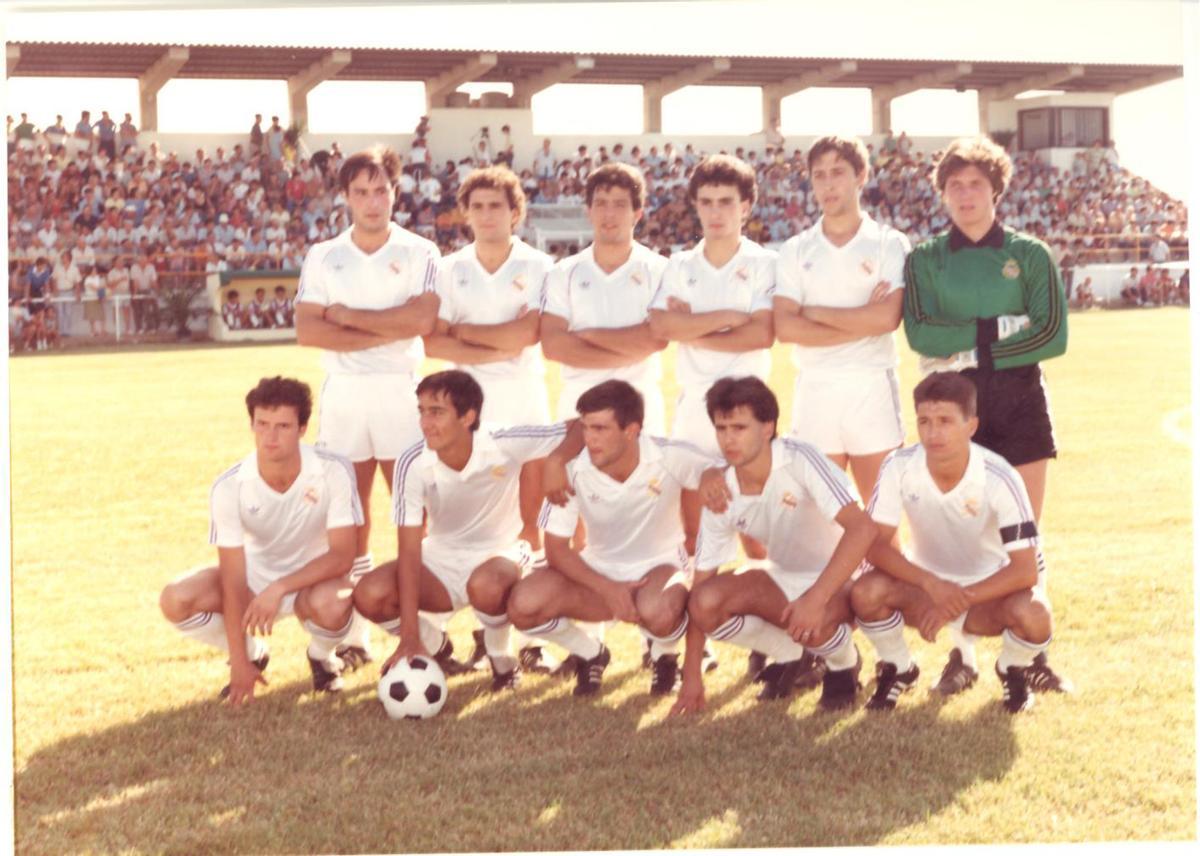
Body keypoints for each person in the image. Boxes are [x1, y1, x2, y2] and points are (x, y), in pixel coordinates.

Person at [902, 135, 1069, 695]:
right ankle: (961, 654)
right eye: (955, 185)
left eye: (976, 184)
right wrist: (1002, 327)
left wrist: (968, 343)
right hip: (952, 405)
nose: (965, 194)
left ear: (995, 190)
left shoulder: (1029, 253)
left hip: (1021, 401)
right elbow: (921, 333)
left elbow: (1050, 334)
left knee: (1024, 534)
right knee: (956, 529)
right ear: (943, 194)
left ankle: (1030, 656)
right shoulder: (925, 259)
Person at [294, 144, 441, 668]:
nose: (373, 201)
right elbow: (309, 330)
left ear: (395, 192)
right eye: (362, 191)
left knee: (411, 510)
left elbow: (421, 322)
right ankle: (354, 634)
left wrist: (348, 318)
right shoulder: (324, 254)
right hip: (344, 396)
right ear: (346, 197)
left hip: (401, 391)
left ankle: (420, 628)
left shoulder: (420, 251)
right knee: (349, 513)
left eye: (382, 189)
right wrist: (384, 324)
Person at [353, 371, 582, 690]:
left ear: (468, 416)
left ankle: (503, 661)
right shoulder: (412, 462)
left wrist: (556, 462)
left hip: (503, 553)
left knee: (486, 585)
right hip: (440, 559)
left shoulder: (504, 441)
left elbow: (580, 426)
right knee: (369, 593)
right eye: (421, 411)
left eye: (437, 412)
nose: (425, 422)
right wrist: (409, 637)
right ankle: (434, 646)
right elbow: (409, 551)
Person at [851, 372, 1059, 713]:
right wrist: (932, 585)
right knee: (865, 590)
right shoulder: (898, 466)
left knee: (1035, 614)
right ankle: (898, 666)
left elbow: (1024, 572)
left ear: (971, 426)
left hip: (988, 592)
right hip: (925, 589)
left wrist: (955, 601)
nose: (933, 433)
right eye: (925, 421)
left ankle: (1012, 669)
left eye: (945, 421)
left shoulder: (999, 476)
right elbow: (874, 545)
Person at [673, 377, 878, 714]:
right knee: (705, 601)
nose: (729, 439)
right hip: (782, 577)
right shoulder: (721, 490)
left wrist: (816, 598)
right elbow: (702, 585)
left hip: (844, 578)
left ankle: (844, 664)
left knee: (811, 619)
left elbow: (862, 529)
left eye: (740, 427)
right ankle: (790, 653)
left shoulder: (800, 459)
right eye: (721, 428)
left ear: (768, 427)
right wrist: (691, 674)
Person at [158, 377, 363, 702]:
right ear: (252, 424)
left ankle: (322, 656)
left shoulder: (333, 470)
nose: (270, 436)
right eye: (262, 424)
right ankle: (254, 653)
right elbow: (233, 576)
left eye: (282, 426)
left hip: (315, 579)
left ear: (302, 428)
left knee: (334, 602)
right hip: (255, 579)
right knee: (175, 598)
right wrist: (239, 662)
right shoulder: (230, 485)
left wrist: (280, 587)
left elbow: (342, 556)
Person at [507, 380, 717, 698]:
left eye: (600, 429)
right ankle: (590, 652)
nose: (589, 439)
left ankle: (665, 657)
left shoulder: (670, 456)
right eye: (586, 428)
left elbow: (716, 471)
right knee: (523, 605)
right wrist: (609, 588)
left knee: (659, 611)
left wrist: (714, 477)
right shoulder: (573, 468)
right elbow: (556, 549)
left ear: (632, 431)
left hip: (660, 567)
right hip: (598, 570)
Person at [648, 153, 775, 554]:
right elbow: (662, 326)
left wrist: (693, 329)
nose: (716, 211)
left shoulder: (765, 263)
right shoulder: (681, 263)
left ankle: (765, 610)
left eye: (726, 201)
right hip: (693, 410)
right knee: (694, 536)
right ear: (695, 205)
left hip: (748, 410)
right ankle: (697, 611)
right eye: (707, 201)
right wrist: (727, 317)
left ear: (746, 206)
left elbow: (761, 334)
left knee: (758, 541)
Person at [425, 166, 555, 554]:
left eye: (495, 206)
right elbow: (431, 342)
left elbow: (528, 334)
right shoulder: (449, 268)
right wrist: (500, 345)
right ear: (465, 213)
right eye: (477, 206)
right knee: (467, 504)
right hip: (466, 401)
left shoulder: (539, 265)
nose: (486, 215)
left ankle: (529, 585)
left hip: (523, 392)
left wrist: (463, 331)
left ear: (515, 212)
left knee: (529, 511)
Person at [774, 135, 911, 500]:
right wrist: (861, 318)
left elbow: (887, 319)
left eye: (838, 172)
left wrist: (814, 313)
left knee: (882, 521)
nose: (828, 183)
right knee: (820, 524)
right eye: (819, 175)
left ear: (860, 175)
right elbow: (786, 328)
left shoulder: (888, 243)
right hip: (815, 389)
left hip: (871, 388)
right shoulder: (795, 249)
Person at [540, 162, 670, 435]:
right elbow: (553, 346)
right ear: (588, 211)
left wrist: (587, 335)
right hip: (577, 411)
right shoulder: (564, 272)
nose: (609, 213)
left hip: (641, 412)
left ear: (638, 213)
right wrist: (630, 347)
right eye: (600, 203)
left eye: (620, 204)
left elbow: (655, 339)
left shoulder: (659, 270)